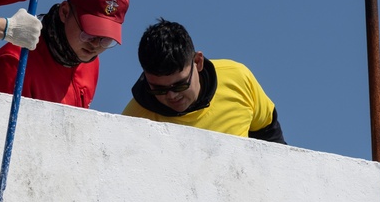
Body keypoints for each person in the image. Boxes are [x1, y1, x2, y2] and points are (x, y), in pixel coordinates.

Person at [122, 19, 286, 143]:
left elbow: (270, 134)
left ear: (198, 62)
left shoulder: (238, 79)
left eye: (180, 85)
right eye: (158, 89)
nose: (171, 95)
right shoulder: (134, 119)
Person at [0, 0, 129, 108]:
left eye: (106, 39)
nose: (96, 44)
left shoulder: (90, 60)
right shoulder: (13, 64)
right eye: (89, 33)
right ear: (64, 12)